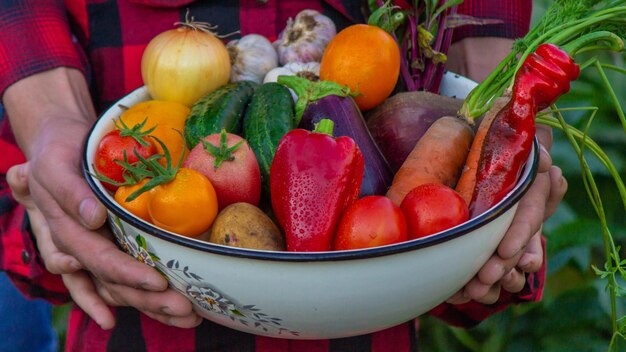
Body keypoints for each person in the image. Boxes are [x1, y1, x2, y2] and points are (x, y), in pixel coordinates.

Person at [0, 0, 566, 350]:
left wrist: (509, 132)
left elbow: (484, 47)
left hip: (376, 317)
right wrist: (49, 118)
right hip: (144, 324)